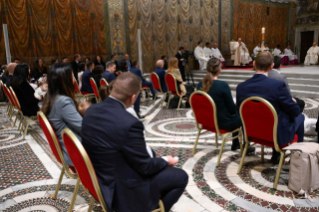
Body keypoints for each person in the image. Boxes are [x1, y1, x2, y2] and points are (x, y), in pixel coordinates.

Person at [81, 72, 188, 212]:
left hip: (99, 178)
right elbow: (146, 167)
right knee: (181, 176)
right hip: (123, 188)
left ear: (113, 89)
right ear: (133, 98)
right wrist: (165, 160)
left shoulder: (91, 110)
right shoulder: (130, 123)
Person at [236, 52, 304, 164]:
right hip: (276, 136)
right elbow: (295, 111)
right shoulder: (277, 86)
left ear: (253, 64)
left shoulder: (241, 87)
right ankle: (297, 161)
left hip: (252, 133)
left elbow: (240, 111)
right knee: (300, 117)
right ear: (272, 66)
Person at [196, 57, 254, 152]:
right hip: (222, 123)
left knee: (235, 115)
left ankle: (235, 143)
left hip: (206, 121)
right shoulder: (222, 85)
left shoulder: (200, 84)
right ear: (219, 70)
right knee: (243, 115)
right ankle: (245, 145)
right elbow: (231, 109)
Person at [42, 63, 82, 166]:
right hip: (76, 151)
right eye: (72, 75)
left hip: (68, 147)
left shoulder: (51, 97)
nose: (74, 78)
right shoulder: (63, 101)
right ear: (65, 79)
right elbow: (83, 127)